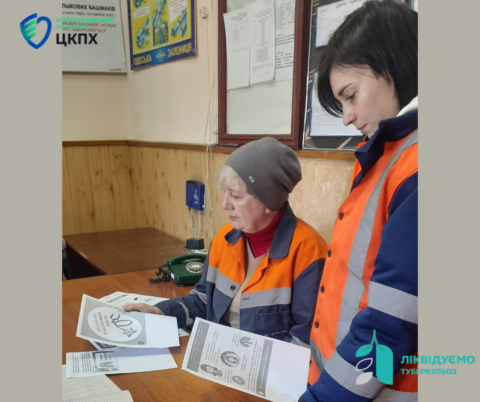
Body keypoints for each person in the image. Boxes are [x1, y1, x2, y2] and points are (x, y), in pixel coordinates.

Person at [301, 1, 418, 401]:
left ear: (394, 64)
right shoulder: (385, 154)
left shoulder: (418, 166)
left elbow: (390, 323)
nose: (347, 117)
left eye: (350, 96)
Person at [125, 137, 328, 347]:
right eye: (225, 193)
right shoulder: (224, 238)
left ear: (270, 201)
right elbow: (203, 301)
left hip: (265, 366)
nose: (225, 205)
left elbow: (305, 341)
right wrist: (162, 311)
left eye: (236, 196)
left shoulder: (311, 253)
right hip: (216, 354)